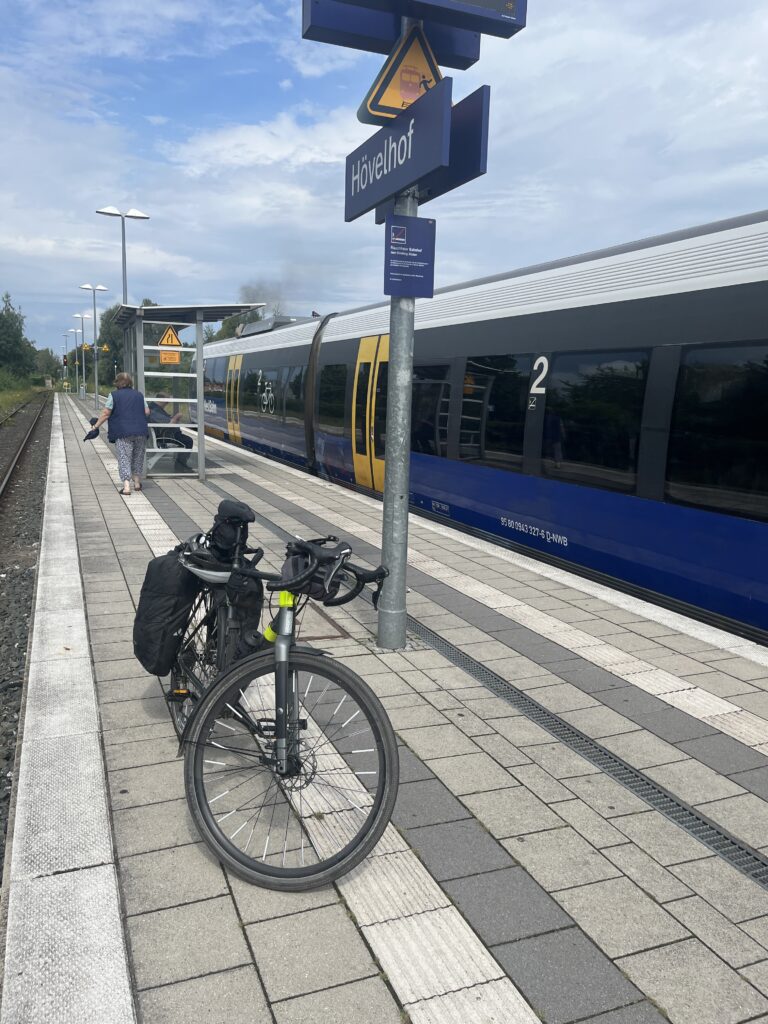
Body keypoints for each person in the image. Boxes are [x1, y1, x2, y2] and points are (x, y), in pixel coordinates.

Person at [91, 372, 150, 495]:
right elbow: (147, 412)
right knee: (138, 457)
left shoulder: (114, 395)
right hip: (141, 431)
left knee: (124, 458)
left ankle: (127, 487)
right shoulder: (139, 395)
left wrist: (95, 426)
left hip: (123, 432)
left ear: (117, 383)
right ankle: (137, 483)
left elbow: (106, 414)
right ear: (130, 383)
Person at [147, 391, 193, 469]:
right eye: (166, 402)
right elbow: (170, 423)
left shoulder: (154, 408)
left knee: (186, 440)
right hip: (166, 437)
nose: (167, 404)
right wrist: (178, 416)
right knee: (188, 441)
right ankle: (180, 466)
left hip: (165, 435)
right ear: (161, 400)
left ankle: (180, 463)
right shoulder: (154, 410)